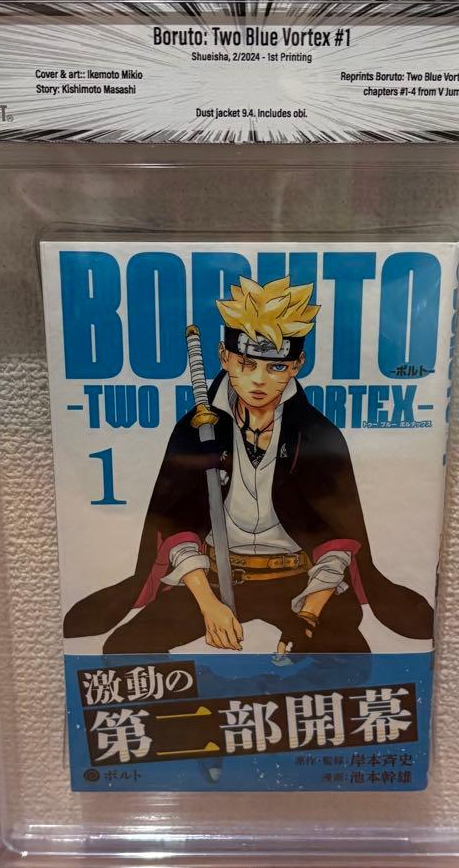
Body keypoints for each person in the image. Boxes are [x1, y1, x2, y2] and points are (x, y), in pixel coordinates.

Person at [63, 275, 434, 653]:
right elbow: (177, 527)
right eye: (245, 363)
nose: (258, 380)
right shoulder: (196, 430)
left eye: (275, 368)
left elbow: (336, 538)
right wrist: (209, 606)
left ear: (297, 365)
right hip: (210, 578)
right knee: (124, 649)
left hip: (300, 580)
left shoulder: (317, 435)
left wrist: (308, 615)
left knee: (351, 662)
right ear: (224, 357)